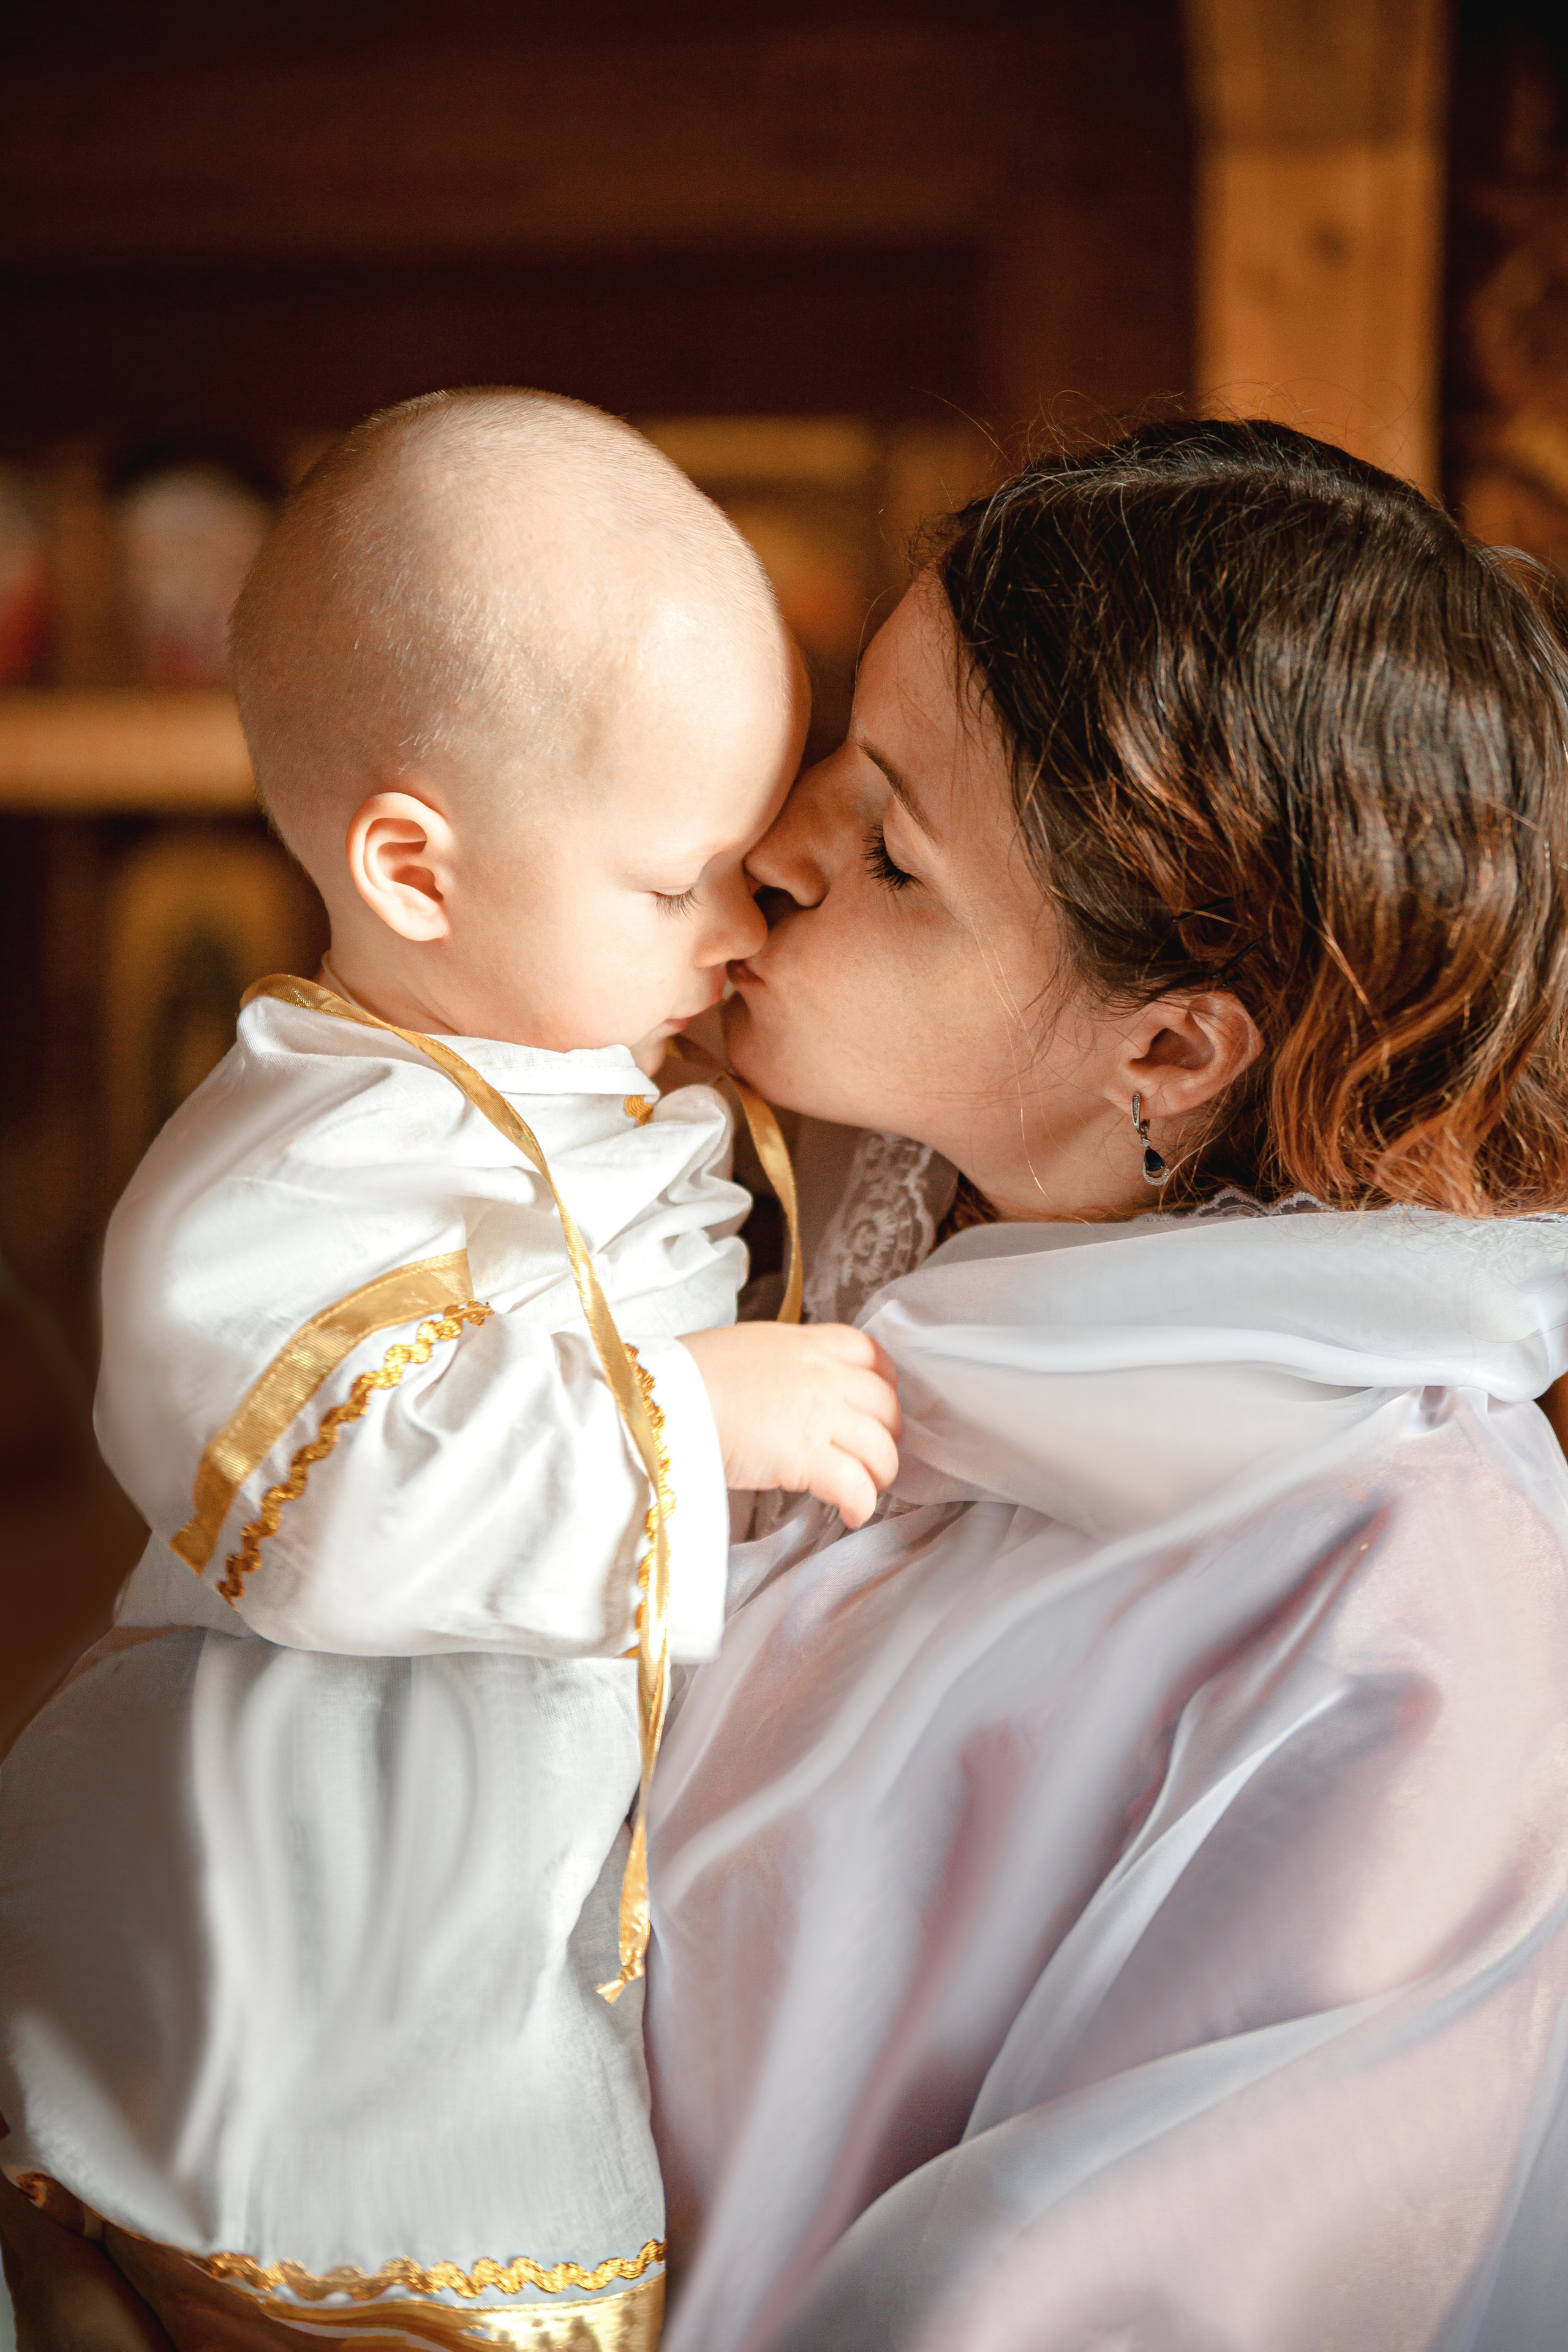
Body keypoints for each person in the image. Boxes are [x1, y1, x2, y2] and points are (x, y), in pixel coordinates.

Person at [644, 419, 1568, 2351]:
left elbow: (1108, 2283)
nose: (775, 850)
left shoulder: (1409, 1607)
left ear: (1167, 1050)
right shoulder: (820, 1253)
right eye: (841, 749)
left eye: (891, 852)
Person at [0, 388, 900, 2351]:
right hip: (337, 1894)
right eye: (674, 884)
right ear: (416, 870)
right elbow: (325, 1494)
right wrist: (688, 1419)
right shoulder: (288, 1170)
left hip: (544, 1861)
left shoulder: (587, 1052)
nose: (741, 925)